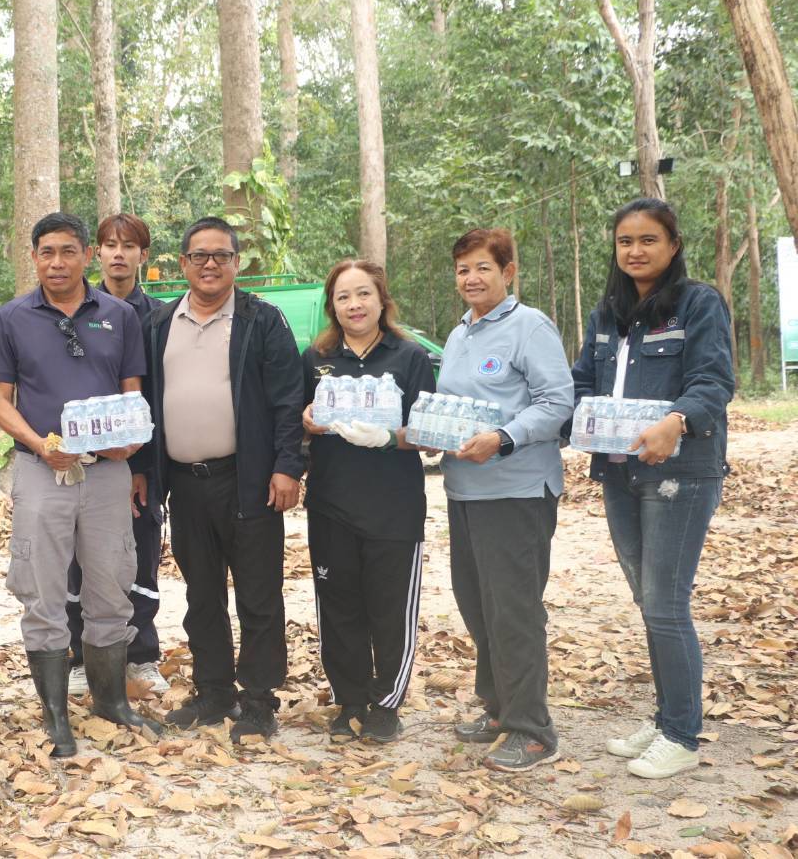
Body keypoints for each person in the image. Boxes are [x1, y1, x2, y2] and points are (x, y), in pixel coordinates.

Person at [0, 212, 160, 758]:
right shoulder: (11, 318)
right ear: (33, 257)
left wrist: (129, 445)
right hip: (43, 470)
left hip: (107, 472)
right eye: (45, 253)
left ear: (87, 256)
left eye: (67, 252)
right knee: (43, 591)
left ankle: (111, 701)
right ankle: (56, 715)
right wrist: (41, 445)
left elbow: (132, 395)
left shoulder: (119, 315)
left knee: (111, 584)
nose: (56, 263)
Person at [571, 198, 734, 779]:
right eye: (625, 242)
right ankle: (668, 716)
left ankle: (682, 735)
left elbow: (713, 380)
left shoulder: (698, 303)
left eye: (648, 240)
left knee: (666, 604)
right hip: (620, 471)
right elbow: (582, 383)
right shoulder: (608, 313)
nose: (635, 251)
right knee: (649, 601)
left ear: (672, 246)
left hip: (680, 474)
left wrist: (676, 421)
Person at [142, 217, 304, 744]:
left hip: (250, 480)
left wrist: (287, 466)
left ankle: (258, 700)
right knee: (202, 594)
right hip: (185, 484)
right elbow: (143, 403)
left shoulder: (263, 321)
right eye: (199, 255)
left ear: (236, 263)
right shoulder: (160, 324)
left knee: (259, 595)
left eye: (221, 255)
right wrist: (145, 472)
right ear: (183, 263)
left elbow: (287, 401)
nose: (210, 264)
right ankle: (214, 692)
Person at [438, 228, 573, 772]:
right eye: (463, 269)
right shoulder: (459, 334)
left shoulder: (528, 326)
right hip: (465, 489)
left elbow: (558, 400)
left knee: (514, 609)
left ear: (508, 272)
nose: (471, 278)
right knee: (478, 604)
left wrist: (504, 438)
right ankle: (498, 708)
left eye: (483, 269)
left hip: (515, 489)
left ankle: (532, 729)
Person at [299, 259, 435, 744]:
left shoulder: (409, 357)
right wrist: (307, 421)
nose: (354, 305)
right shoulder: (316, 358)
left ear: (382, 299)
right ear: (331, 305)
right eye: (342, 297)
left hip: (393, 508)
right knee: (338, 606)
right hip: (332, 504)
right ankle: (350, 698)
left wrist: (389, 436)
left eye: (363, 295)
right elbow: (297, 422)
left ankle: (385, 703)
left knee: (389, 608)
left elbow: (430, 435)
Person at [65, 213, 167, 697]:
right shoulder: (74, 310)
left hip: (140, 461)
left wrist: (142, 467)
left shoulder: (162, 317)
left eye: (130, 245)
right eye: (110, 244)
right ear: (96, 254)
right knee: (79, 559)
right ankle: (84, 656)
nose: (119, 253)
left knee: (141, 553)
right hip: (83, 461)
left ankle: (142, 655)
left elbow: (156, 397)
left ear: (143, 255)